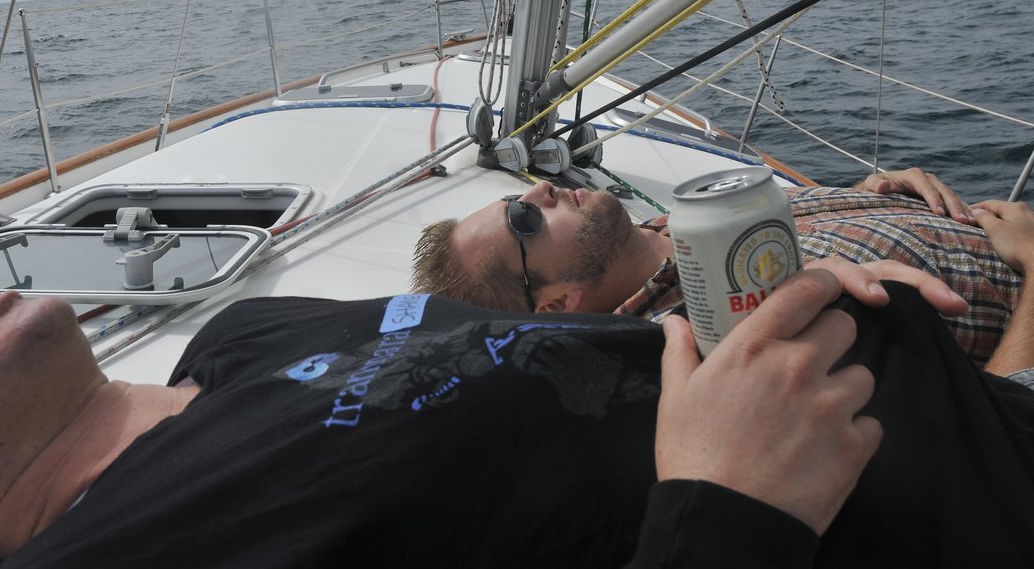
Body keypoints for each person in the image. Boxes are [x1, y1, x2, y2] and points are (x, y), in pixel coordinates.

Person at [0, 206, 1034, 569]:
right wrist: (727, 507)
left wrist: (747, 307)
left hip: (965, 415)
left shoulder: (245, 333)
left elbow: (553, 377)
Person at [411, 167, 1023, 365]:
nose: (540, 189)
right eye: (524, 222)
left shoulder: (668, 230)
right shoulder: (726, 344)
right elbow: (995, 429)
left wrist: (869, 193)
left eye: (518, 196)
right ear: (556, 304)